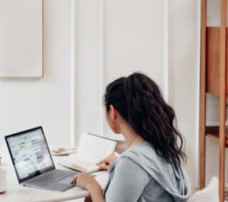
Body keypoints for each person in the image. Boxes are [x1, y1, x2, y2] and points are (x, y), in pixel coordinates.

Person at [71, 73, 190, 202]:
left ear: (113, 112)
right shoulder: (164, 149)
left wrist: (91, 185)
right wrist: (119, 165)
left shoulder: (131, 163)